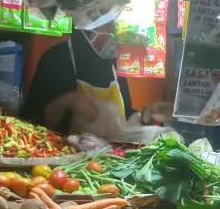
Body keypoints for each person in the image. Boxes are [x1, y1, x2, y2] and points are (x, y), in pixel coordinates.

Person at [20, 26, 173, 134]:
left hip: (108, 162)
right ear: (88, 29)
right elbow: (32, 123)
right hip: (65, 165)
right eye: (109, 28)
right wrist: (67, 101)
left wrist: (146, 115)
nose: (114, 34)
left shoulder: (115, 63)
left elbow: (124, 119)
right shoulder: (56, 58)